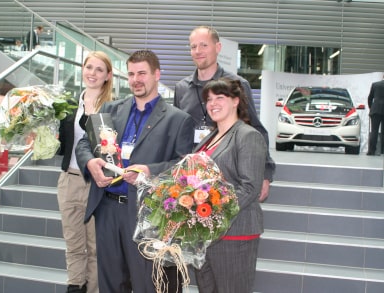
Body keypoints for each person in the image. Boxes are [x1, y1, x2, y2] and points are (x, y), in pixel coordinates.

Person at [75, 49, 194, 292]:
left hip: (146, 213)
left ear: (157, 74)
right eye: (131, 74)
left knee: (146, 284)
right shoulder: (111, 109)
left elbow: (184, 168)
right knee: (109, 284)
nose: (135, 80)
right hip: (107, 209)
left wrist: (150, 170)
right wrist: (90, 163)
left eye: (142, 73)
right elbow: (84, 144)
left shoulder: (178, 119)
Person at [174, 25, 275, 202]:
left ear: (218, 48)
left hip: (229, 175)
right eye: (193, 46)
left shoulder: (237, 85)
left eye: (204, 45)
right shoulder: (181, 88)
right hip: (190, 178)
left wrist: (265, 174)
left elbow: (255, 128)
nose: (198, 51)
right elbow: (176, 132)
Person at [193, 77, 266, 293]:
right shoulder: (210, 137)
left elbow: (250, 188)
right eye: (209, 99)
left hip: (234, 233)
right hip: (206, 234)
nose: (212, 103)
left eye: (220, 98)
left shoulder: (248, 136)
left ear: (236, 101)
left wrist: (210, 208)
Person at [57, 51, 113, 293]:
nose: (93, 73)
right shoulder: (69, 104)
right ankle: (74, 287)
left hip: (96, 184)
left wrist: (91, 113)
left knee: (95, 248)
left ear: (108, 76)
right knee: (73, 244)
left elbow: (106, 147)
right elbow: (63, 145)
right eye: (89, 67)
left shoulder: (112, 106)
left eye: (99, 69)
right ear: (82, 69)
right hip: (68, 180)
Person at [367, 75, 384, 156]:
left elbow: (370, 98)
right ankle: (382, 151)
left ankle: (371, 151)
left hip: (376, 109)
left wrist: (371, 107)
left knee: (374, 131)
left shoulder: (375, 84)